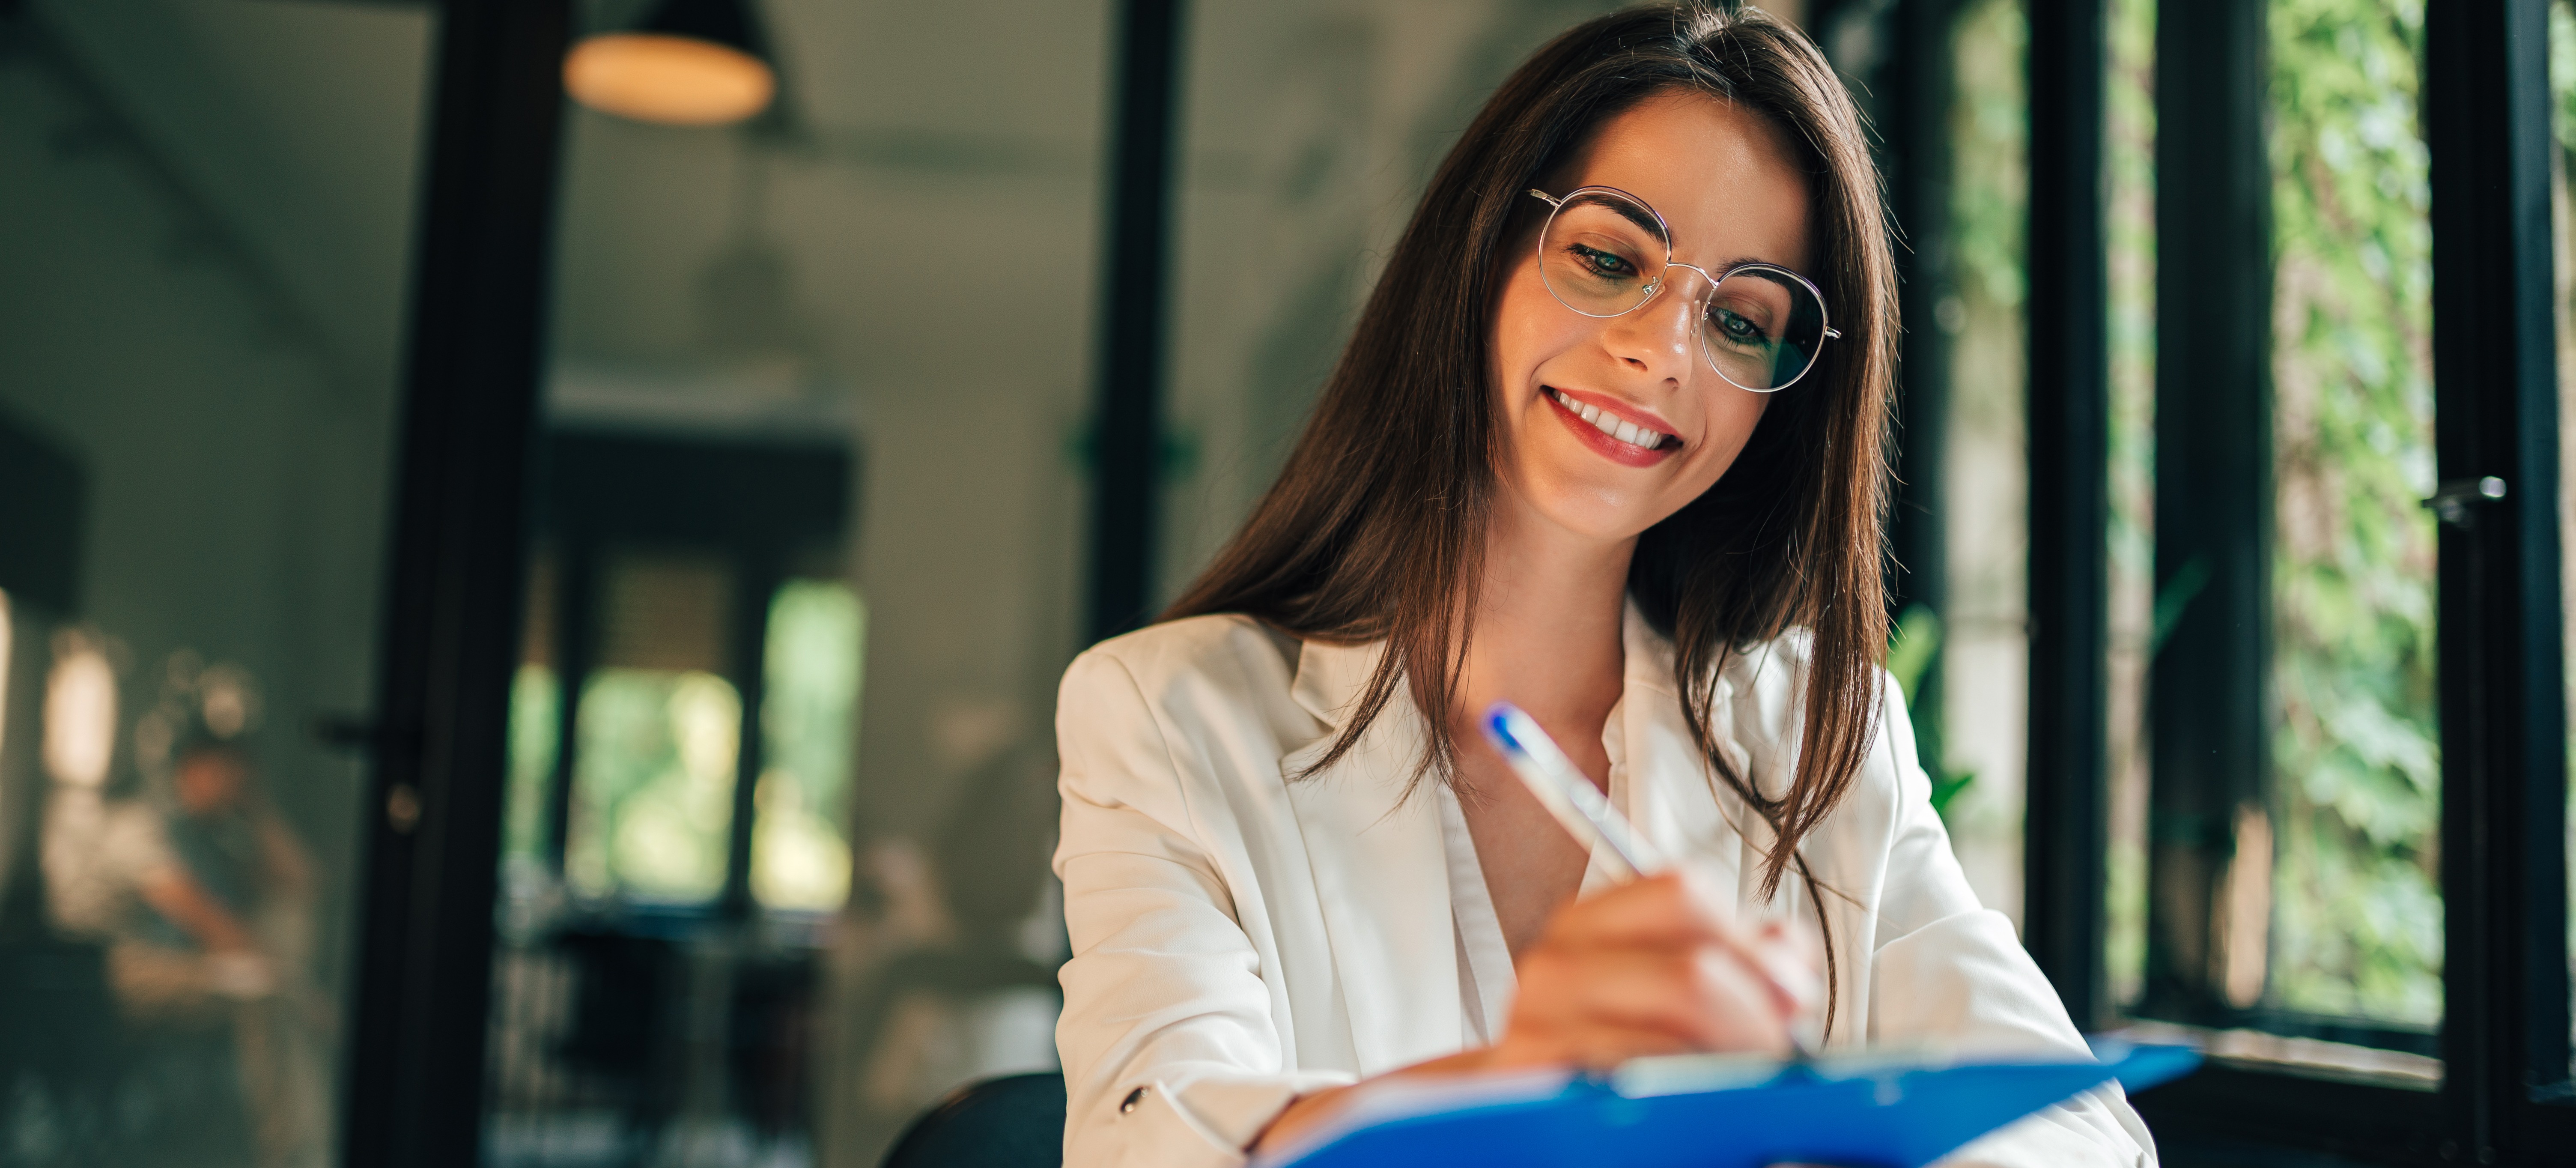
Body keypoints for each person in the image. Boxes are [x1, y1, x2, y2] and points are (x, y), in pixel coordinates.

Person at [1049, 4, 2155, 1165]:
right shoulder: (1168, 718)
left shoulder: (1822, 742)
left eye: (1741, 320)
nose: (1665, 351)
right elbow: (1151, 1140)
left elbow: (2079, 1134)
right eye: (1610, 258)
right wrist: (1513, 1085)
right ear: (1480, 254)